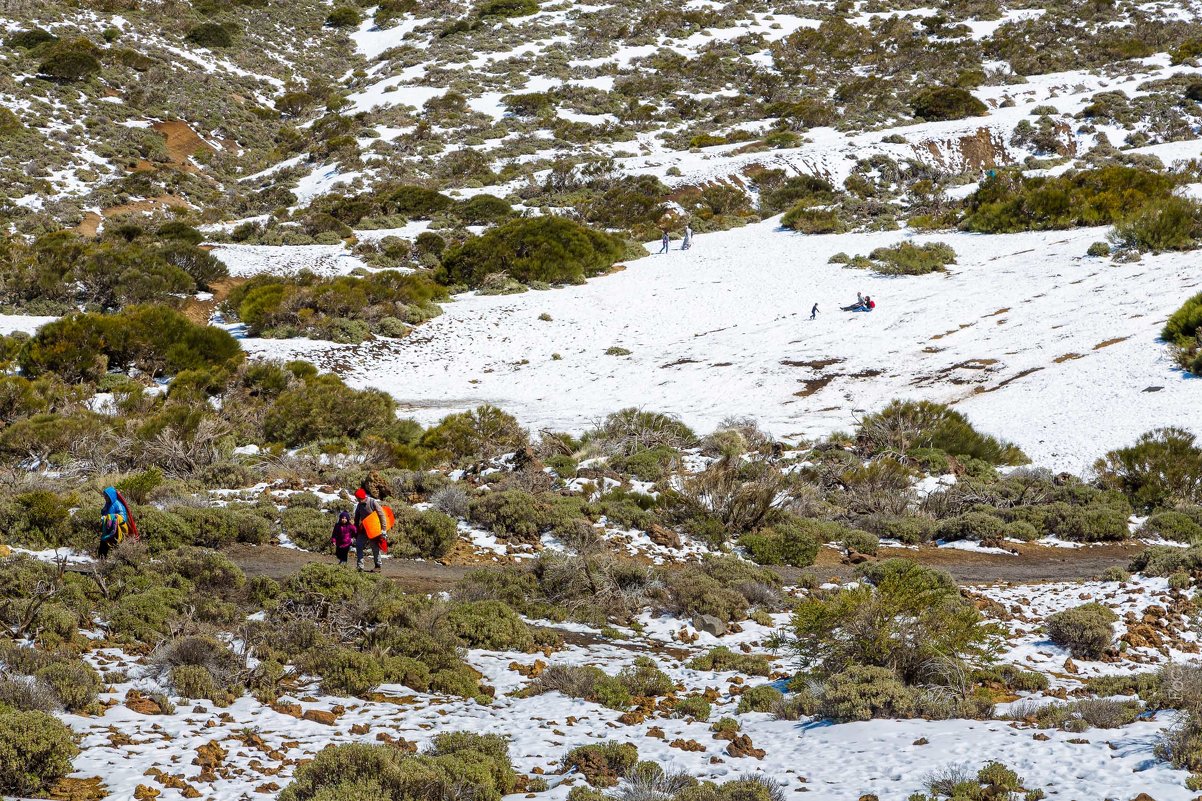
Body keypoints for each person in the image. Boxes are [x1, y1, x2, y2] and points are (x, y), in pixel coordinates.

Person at [353, 487, 387, 572]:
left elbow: (381, 515)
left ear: (361, 497)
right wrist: (355, 529)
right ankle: (360, 566)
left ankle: (378, 566)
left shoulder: (372, 502)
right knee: (359, 545)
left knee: (375, 547)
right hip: (364, 528)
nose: (358, 500)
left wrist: (384, 529)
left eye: (358, 498)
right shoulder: (359, 505)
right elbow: (357, 518)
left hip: (373, 529)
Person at [99, 486, 137, 559]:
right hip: (108, 528)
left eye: (106, 496)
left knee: (117, 545)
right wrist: (104, 515)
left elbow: (123, 518)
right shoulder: (107, 504)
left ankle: (120, 561)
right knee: (103, 543)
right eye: (104, 496)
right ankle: (102, 560)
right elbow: (104, 513)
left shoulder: (118, 504)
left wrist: (111, 518)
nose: (105, 497)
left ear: (111, 496)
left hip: (118, 529)